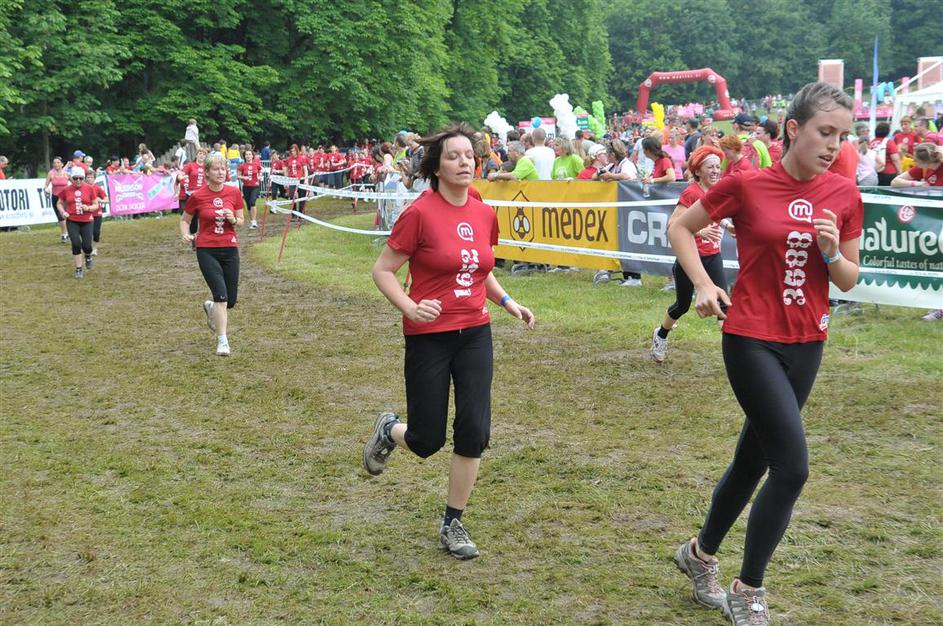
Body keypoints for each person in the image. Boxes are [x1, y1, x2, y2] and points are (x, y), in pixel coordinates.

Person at [667, 82, 862, 625]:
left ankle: (699, 553)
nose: (834, 145)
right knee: (791, 467)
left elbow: (848, 278)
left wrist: (830, 252)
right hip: (751, 337)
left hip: (808, 342)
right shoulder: (747, 184)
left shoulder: (845, 194)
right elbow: (681, 228)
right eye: (825, 132)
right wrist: (704, 284)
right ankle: (747, 589)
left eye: (842, 136)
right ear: (794, 129)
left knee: (754, 459)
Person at [363, 122, 535, 560]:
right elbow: (383, 270)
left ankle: (452, 522)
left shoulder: (483, 212)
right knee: (426, 440)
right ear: (436, 167)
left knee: (474, 430)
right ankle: (389, 430)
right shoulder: (420, 213)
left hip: (475, 331)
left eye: (469, 156)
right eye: (453, 156)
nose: (464, 162)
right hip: (429, 336)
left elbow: (478, 269)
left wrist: (508, 301)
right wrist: (409, 306)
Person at [650, 146, 728, 363]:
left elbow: (714, 214)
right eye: (710, 167)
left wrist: (727, 226)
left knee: (724, 304)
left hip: (713, 255)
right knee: (682, 306)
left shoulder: (717, 190)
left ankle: (734, 353)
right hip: (690, 258)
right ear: (698, 171)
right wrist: (699, 231)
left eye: (718, 167)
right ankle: (661, 335)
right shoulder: (691, 192)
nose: (716, 171)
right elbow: (673, 225)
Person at [179, 152, 245, 357]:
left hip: (230, 248)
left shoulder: (234, 193)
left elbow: (241, 221)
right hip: (207, 249)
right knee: (221, 296)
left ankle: (211, 308)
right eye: (216, 169)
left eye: (223, 168)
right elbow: (185, 220)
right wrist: (185, 234)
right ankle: (222, 341)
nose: (220, 172)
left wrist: (233, 219)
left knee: (230, 301)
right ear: (207, 172)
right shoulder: (198, 196)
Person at [56, 167, 101, 278]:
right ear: (72, 178)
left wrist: (89, 208)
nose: (78, 180)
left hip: (87, 221)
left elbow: (96, 204)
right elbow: (59, 203)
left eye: (81, 178)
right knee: (76, 244)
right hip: (72, 221)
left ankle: (88, 256)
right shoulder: (66, 189)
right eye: (75, 178)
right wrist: (63, 212)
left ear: (83, 178)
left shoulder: (89, 188)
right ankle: (79, 269)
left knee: (87, 246)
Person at [45, 157, 71, 242]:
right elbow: (46, 185)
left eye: (58, 162)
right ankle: (65, 233)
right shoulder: (51, 173)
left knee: (63, 215)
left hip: (65, 198)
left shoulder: (67, 174)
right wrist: (46, 189)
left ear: (62, 164)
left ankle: (66, 234)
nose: (56, 164)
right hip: (55, 197)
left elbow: (75, 183)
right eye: (54, 163)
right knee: (60, 217)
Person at [237, 147, 261, 229]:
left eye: (249, 154)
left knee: (252, 202)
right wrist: (244, 177)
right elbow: (238, 176)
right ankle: (252, 221)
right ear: (244, 156)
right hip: (246, 187)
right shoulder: (242, 166)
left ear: (252, 156)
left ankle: (254, 222)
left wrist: (260, 176)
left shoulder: (256, 164)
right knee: (248, 205)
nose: (248, 156)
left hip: (255, 186)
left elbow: (260, 171)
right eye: (246, 154)